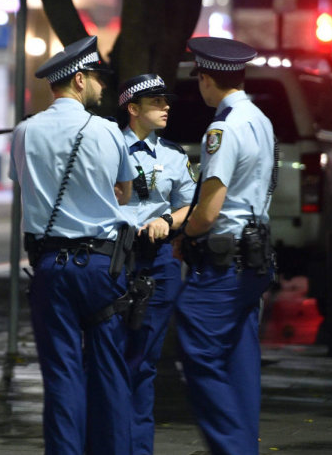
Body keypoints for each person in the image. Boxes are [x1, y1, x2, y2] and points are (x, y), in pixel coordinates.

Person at [10, 35, 136, 455]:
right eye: (97, 77)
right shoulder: (107, 131)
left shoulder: (25, 132)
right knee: (110, 373)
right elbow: (124, 191)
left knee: (61, 375)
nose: (102, 85)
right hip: (101, 267)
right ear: (79, 80)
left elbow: (23, 183)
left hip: (50, 267)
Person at [177, 37, 276, 455]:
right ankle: (244, 445)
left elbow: (209, 209)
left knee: (196, 345)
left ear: (206, 78)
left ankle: (232, 448)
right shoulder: (260, 119)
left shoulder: (223, 127)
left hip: (223, 263)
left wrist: (183, 236)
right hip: (255, 259)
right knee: (239, 357)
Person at [116, 73, 196, 455]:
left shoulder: (174, 155)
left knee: (145, 361)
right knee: (107, 356)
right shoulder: (108, 147)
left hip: (158, 260)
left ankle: (138, 448)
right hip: (114, 258)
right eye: (155, 102)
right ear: (133, 109)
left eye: (166, 101)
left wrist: (168, 221)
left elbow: (188, 204)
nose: (165, 107)